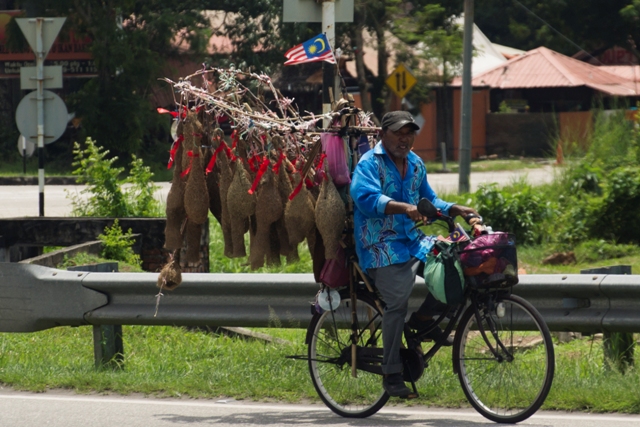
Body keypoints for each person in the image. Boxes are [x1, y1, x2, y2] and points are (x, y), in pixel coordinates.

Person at [350, 110, 478, 398]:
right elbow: (366, 198)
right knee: (397, 302)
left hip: (414, 240)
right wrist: (405, 208)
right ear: (382, 134)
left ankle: (421, 324)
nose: (404, 138)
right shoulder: (369, 163)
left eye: (409, 132)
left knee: (452, 267)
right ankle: (391, 371)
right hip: (381, 245)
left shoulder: (416, 164)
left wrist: (453, 208)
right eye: (398, 132)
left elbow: (429, 200)